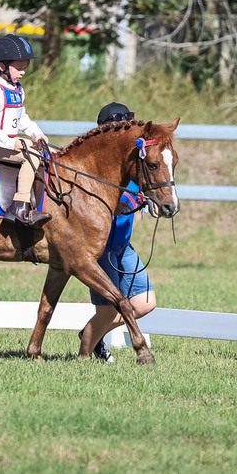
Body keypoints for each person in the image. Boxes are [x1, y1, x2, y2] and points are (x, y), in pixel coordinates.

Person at [78, 102, 156, 363]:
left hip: (123, 245)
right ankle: (84, 357)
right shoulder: (95, 163)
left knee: (145, 304)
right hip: (101, 249)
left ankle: (91, 335)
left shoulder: (129, 162)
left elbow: (137, 192)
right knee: (108, 313)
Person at [0, 34, 51, 227]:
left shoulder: (17, 89)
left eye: (25, 68)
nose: (22, 73)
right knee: (32, 155)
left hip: (11, 141)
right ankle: (19, 205)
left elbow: (22, 118)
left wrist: (36, 134)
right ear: (2, 66)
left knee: (47, 151)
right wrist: (11, 143)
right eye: (18, 68)